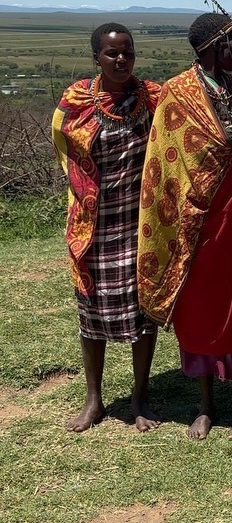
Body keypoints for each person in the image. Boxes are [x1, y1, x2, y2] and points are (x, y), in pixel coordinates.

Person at [137, 11, 232, 440]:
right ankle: (205, 404)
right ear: (214, 46)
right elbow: (168, 158)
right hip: (195, 217)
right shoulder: (178, 92)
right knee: (201, 305)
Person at [52, 23, 162, 433]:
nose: (121, 60)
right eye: (111, 53)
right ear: (95, 56)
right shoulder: (77, 101)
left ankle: (139, 397)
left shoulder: (151, 98)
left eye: (127, 53)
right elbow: (62, 144)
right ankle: (94, 398)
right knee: (91, 308)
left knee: (141, 309)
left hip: (141, 224)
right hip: (93, 225)